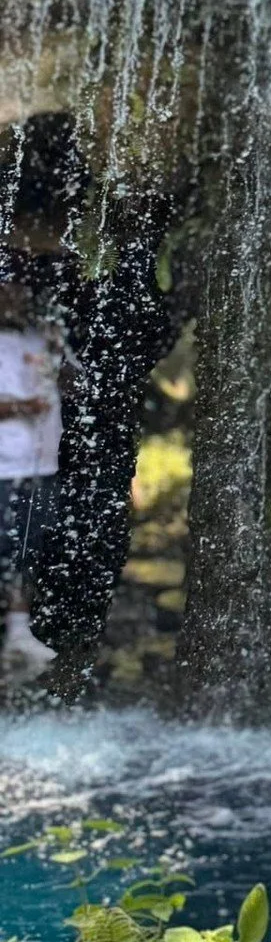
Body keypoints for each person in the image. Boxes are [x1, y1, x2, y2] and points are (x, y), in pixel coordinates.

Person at [0, 280, 60, 674]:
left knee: (28, 548)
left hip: (41, 464)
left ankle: (19, 632)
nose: (15, 295)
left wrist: (58, 353)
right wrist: (24, 406)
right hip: (5, 465)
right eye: (6, 287)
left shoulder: (40, 337)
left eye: (21, 287)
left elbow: (68, 388)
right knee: (4, 550)